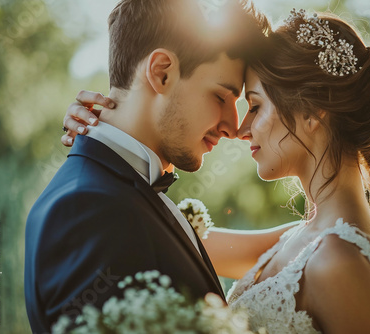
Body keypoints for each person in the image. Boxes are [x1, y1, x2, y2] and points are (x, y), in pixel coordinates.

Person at [62, 8, 370, 334]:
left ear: (314, 110)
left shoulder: (340, 260)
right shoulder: (305, 239)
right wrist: (109, 132)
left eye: (256, 106)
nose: (240, 129)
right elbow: (165, 241)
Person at [24, 1, 280, 333]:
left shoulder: (125, 193)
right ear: (161, 72)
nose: (232, 127)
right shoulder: (87, 209)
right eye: (221, 97)